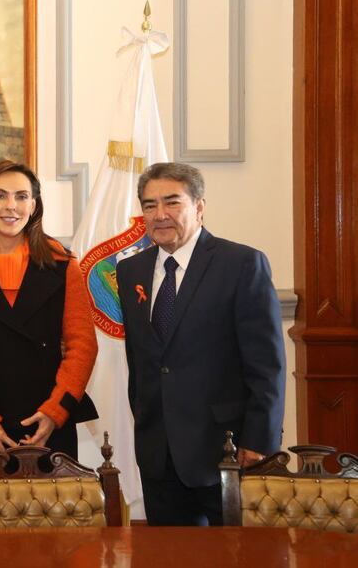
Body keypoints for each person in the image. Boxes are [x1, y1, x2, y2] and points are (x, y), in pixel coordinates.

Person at [117, 162, 285, 526]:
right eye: (149, 205)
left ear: (199, 206)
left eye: (172, 202)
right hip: (158, 452)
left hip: (226, 450)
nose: (160, 214)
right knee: (169, 552)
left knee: (235, 552)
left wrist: (259, 441)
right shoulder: (130, 271)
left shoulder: (241, 264)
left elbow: (267, 365)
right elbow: (140, 357)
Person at [0, 160, 98, 470]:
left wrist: (55, 413)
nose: (11, 206)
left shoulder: (63, 263)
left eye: (21, 196)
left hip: (49, 421)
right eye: (0, 195)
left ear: (33, 205)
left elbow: (83, 346)